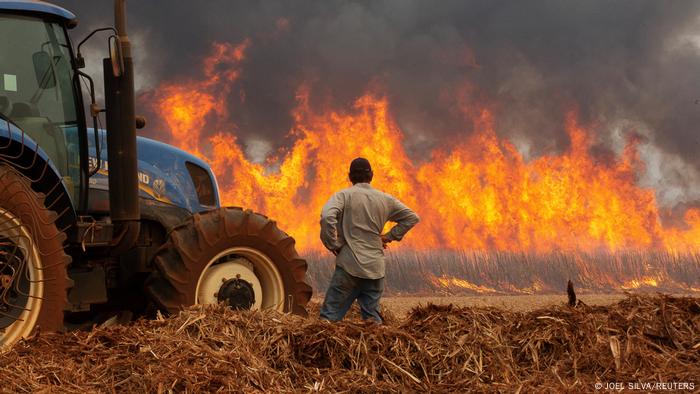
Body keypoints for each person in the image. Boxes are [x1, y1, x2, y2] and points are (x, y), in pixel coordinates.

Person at [319, 157, 419, 323]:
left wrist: (332, 244)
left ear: (350, 176)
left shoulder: (343, 196)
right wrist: (388, 236)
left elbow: (327, 216)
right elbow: (412, 217)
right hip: (375, 269)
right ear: (371, 175)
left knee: (328, 320)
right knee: (373, 325)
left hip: (349, 266)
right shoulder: (385, 199)